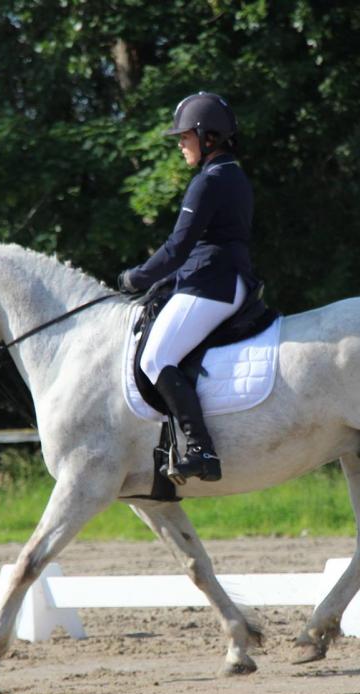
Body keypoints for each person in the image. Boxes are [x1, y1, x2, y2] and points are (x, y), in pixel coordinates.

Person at [117, 91, 257, 484]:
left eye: (184, 137)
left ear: (207, 136)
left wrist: (137, 277)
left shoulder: (208, 182)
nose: (180, 144)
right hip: (225, 278)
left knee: (155, 358)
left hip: (213, 284)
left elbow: (178, 247)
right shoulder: (232, 173)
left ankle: (200, 448)